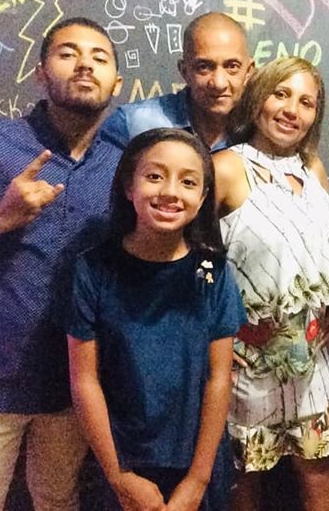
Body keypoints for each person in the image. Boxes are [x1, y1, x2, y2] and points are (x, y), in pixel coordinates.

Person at [0, 17, 123, 510]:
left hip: (72, 387)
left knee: (57, 501)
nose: (84, 64)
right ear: (40, 73)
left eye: (99, 57)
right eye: (68, 53)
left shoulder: (123, 165)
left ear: (116, 84)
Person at [67, 128, 247, 511]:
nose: (170, 191)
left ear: (203, 197)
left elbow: (219, 378)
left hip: (197, 463)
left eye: (188, 182)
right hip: (119, 461)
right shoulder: (93, 269)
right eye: (154, 176)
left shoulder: (212, 272)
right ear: (128, 186)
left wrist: (197, 481)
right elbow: (84, 380)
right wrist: (119, 476)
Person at [213, 57, 329, 511]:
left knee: (319, 471)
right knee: (244, 477)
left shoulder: (312, 169)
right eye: (281, 94)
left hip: (308, 356)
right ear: (259, 98)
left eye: (306, 102)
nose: (292, 109)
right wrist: (210, 335)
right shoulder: (226, 168)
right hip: (246, 358)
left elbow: (327, 242)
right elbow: (191, 259)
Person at [101, 12, 254, 152]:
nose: (219, 84)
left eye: (232, 67)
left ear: (249, 71)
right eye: (204, 67)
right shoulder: (132, 124)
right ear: (184, 71)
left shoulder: (259, 132)